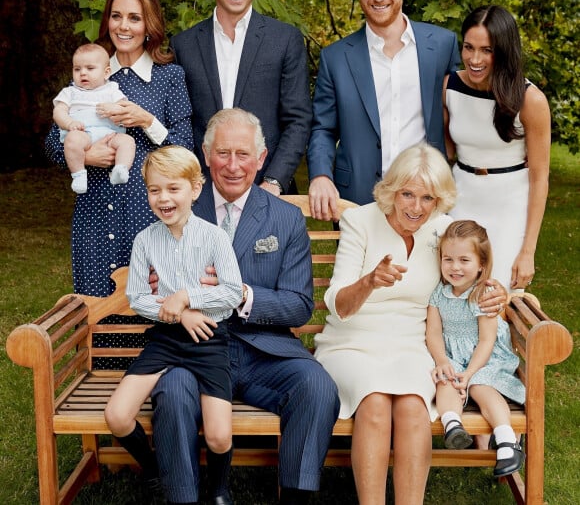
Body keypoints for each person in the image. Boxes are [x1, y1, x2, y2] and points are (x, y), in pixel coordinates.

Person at [151, 108, 340, 505]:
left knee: (317, 386)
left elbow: (299, 305)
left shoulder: (286, 219)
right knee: (172, 390)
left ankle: (296, 497)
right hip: (193, 351)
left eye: (243, 154)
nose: (233, 166)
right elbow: (153, 284)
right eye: (223, 153)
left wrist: (240, 294)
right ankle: (184, 497)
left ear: (261, 158)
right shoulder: (175, 209)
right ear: (205, 155)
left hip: (263, 351)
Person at [313, 144, 507, 505]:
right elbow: (337, 304)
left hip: (414, 343)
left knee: (413, 406)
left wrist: (496, 295)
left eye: (427, 198)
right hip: (353, 341)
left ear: (439, 199)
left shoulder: (444, 230)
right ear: (392, 190)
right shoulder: (360, 221)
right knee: (373, 401)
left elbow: (472, 275)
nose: (416, 207)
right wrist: (369, 281)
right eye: (407, 194)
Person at [104, 145, 243, 500]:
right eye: (154, 190)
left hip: (208, 341)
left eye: (173, 188)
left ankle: (219, 488)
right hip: (165, 340)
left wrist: (189, 297)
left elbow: (230, 293)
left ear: (195, 189)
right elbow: (137, 297)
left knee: (218, 436)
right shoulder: (145, 241)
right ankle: (152, 470)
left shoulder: (215, 237)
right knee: (118, 415)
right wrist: (178, 310)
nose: (163, 198)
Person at [45, 0, 194, 299]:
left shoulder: (169, 77)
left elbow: (185, 148)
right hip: (94, 210)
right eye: (116, 16)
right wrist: (85, 157)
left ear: (149, 25)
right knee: (97, 304)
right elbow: (51, 142)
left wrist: (147, 121)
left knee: (152, 303)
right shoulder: (89, 71)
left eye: (134, 18)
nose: (123, 26)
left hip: (148, 210)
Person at [307, 0, 461, 220]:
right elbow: (323, 129)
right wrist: (320, 175)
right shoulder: (336, 57)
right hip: (357, 197)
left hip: (427, 196)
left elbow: (460, 113)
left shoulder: (441, 46)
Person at [170, 0, 312, 196]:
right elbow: (181, 123)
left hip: (267, 189)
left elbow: (298, 120)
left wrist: (274, 182)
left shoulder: (284, 40)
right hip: (202, 193)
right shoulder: (183, 45)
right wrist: (194, 181)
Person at [444, 5, 551, 291]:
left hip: (509, 207)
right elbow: (446, 152)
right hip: (461, 200)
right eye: (468, 47)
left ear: (503, 51)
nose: (474, 59)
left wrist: (528, 251)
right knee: (454, 293)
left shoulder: (531, 100)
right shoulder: (449, 87)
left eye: (486, 50)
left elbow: (540, 178)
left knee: (498, 297)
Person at [426, 220, 525, 477]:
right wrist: (441, 360)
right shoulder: (438, 293)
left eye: (464, 260)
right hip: (453, 357)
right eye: (448, 259)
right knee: (445, 381)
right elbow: (434, 333)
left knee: (480, 386)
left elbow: (486, 341)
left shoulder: (484, 293)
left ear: (481, 263)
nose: (454, 267)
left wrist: (469, 374)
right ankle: (453, 426)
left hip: (485, 359)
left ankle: (506, 440)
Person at [53, 43, 135, 194]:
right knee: (72, 141)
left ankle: (121, 168)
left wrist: (115, 108)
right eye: (77, 69)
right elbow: (59, 111)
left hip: (110, 134)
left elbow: (125, 108)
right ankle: (78, 174)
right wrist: (69, 123)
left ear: (106, 72)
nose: (82, 73)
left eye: (90, 68)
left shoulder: (112, 89)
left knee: (128, 142)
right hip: (82, 133)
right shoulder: (70, 92)